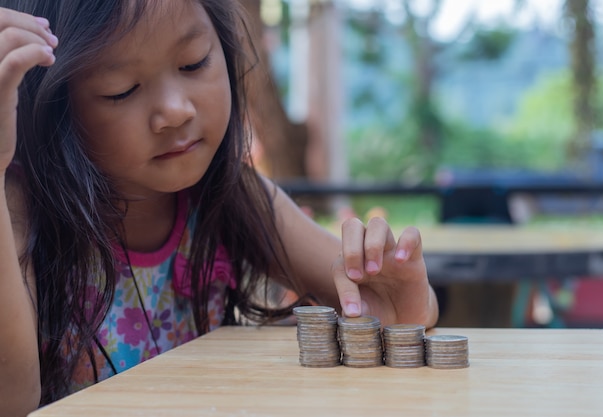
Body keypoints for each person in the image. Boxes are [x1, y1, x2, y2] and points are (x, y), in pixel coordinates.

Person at [0, 1, 439, 415]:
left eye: (193, 63)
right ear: (53, 107)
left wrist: (397, 302)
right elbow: (12, 401)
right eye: (122, 90)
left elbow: (378, 303)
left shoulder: (234, 193)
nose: (174, 110)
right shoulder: (18, 210)